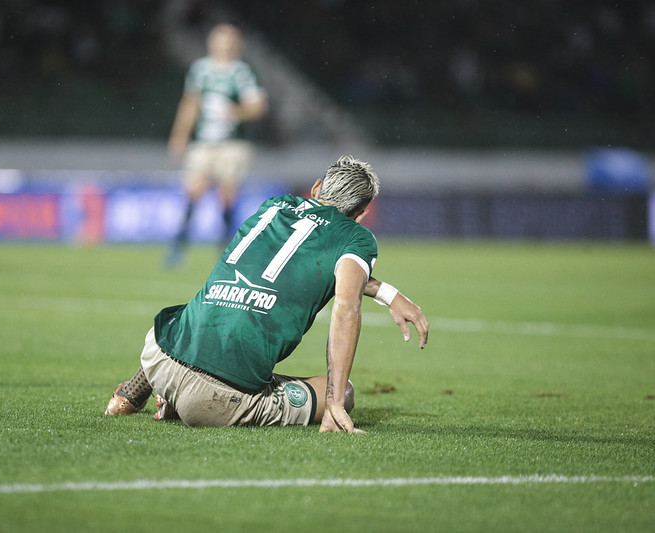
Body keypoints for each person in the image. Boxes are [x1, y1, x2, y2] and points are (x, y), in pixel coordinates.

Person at [106, 156, 429, 433]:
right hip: (212, 400)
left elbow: (302, 264)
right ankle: (180, 399)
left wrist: (386, 292)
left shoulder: (276, 206)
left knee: (203, 311)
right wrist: (333, 403)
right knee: (344, 392)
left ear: (316, 187)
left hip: (158, 354)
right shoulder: (355, 237)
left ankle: (131, 394)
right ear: (360, 214)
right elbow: (346, 303)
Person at [166, 22, 268, 267]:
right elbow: (190, 103)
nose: (223, 43)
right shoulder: (200, 69)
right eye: (219, 38)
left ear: (236, 44)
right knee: (193, 190)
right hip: (204, 142)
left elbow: (258, 107)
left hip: (232, 144)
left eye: (228, 38)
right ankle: (178, 246)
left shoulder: (242, 72)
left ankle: (224, 249)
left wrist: (235, 111)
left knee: (226, 194)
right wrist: (179, 134)